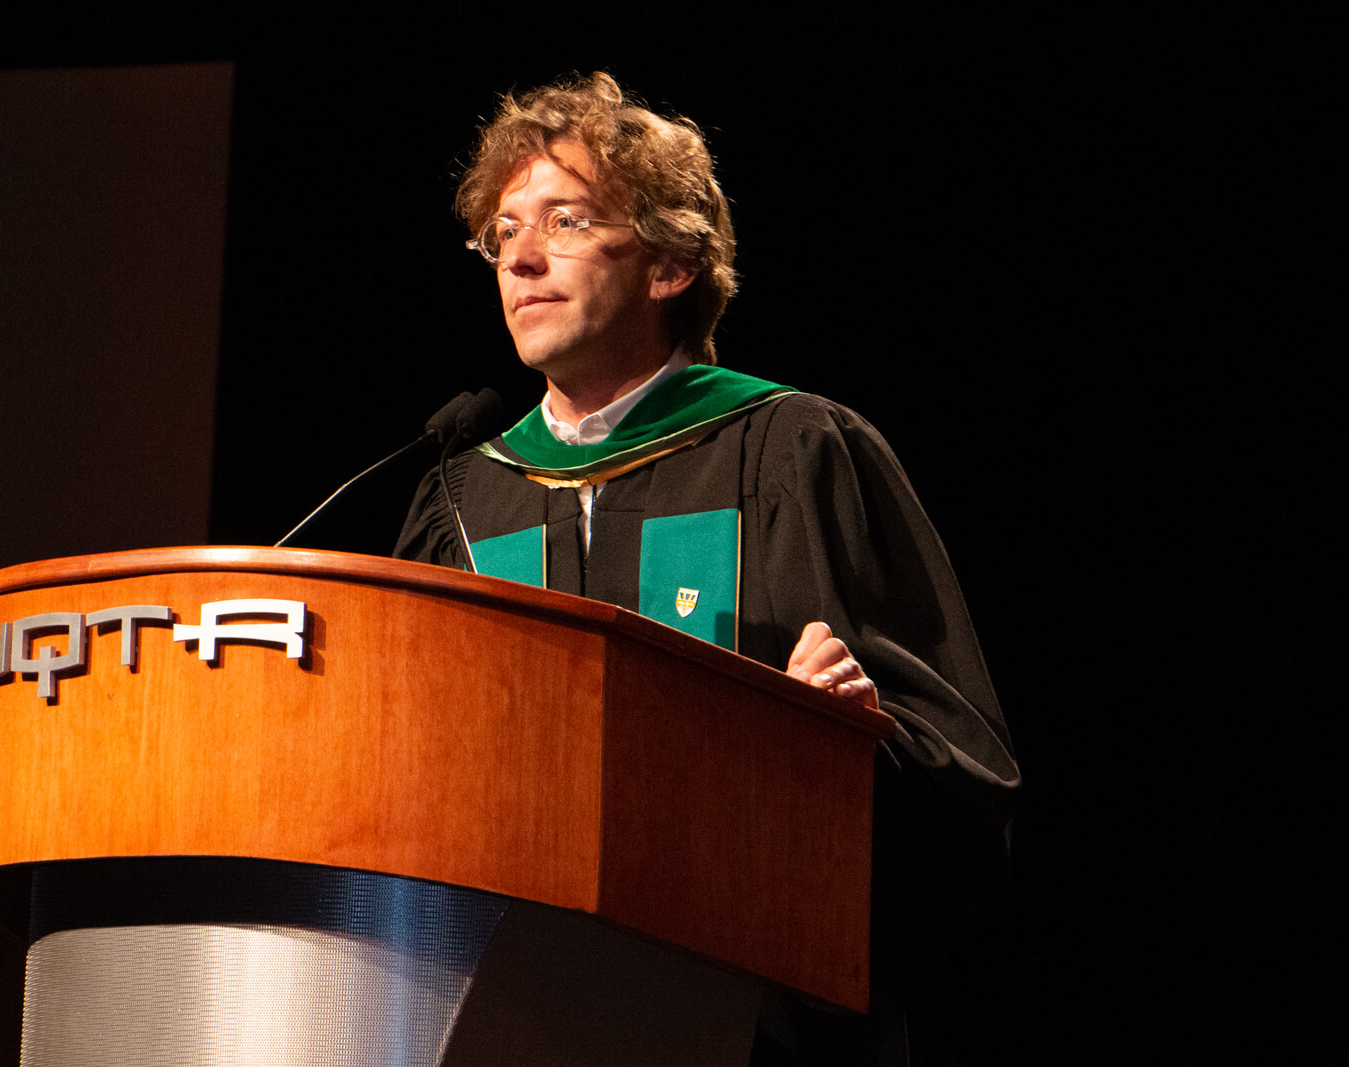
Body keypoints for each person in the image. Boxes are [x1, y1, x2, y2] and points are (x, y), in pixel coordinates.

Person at [395, 72, 1019, 1065]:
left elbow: (958, 773)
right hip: (501, 1013)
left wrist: (832, 751)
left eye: (565, 220)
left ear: (668, 264)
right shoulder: (464, 498)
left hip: (747, 1022)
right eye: (502, 231)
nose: (518, 256)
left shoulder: (793, 452)